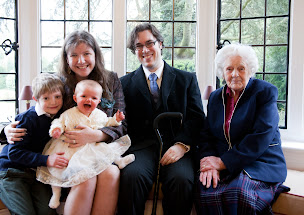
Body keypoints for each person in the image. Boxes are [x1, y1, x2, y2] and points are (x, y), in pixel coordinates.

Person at [0, 30, 127, 215]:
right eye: (74, 55)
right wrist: (6, 130)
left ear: (95, 55)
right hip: (70, 151)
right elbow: (36, 112)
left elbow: (122, 122)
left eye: (86, 54)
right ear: (67, 59)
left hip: (98, 148)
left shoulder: (111, 80)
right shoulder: (59, 83)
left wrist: (95, 135)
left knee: (112, 173)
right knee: (86, 178)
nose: (81, 60)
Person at [117, 23, 205, 215]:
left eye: (149, 43)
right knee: (132, 176)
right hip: (142, 148)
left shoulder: (187, 79)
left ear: (161, 44)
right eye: (138, 46)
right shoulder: (124, 83)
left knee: (182, 179)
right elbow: (121, 123)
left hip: (176, 145)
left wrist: (181, 146)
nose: (145, 50)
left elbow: (197, 118)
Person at [195, 43, 288, 214]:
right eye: (229, 69)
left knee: (238, 192)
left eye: (241, 68)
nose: (235, 74)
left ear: (250, 70)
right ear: (223, 72)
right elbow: (206, 135)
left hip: (260, 162)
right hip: (227, 163)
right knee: (206, 188)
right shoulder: (216, 97)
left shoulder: (265, 92)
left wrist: (222, 162)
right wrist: (209, 161)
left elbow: (261, 136)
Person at [36, 79, 134, 209]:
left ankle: (119, 161)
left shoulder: (100, 114)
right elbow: (58, 122)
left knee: (106, 153)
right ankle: (56, 194)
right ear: (75, 98)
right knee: (63, 171)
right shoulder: (69, 113)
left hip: (91, 147)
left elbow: (109, 122)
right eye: (84, 97)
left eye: (93, 98)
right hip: (70, 149)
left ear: (99, 102)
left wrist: (116, 120)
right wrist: (56, 130)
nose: (89, 100)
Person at [0, 73, 66, 215]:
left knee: (48, 211)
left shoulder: (59, 118)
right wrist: (47, 160)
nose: (53, 102)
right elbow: (14, 153)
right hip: (12, 172)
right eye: (46, 98)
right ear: (36, 99)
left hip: (36, 173)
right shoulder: (27, 119)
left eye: (57, 96)